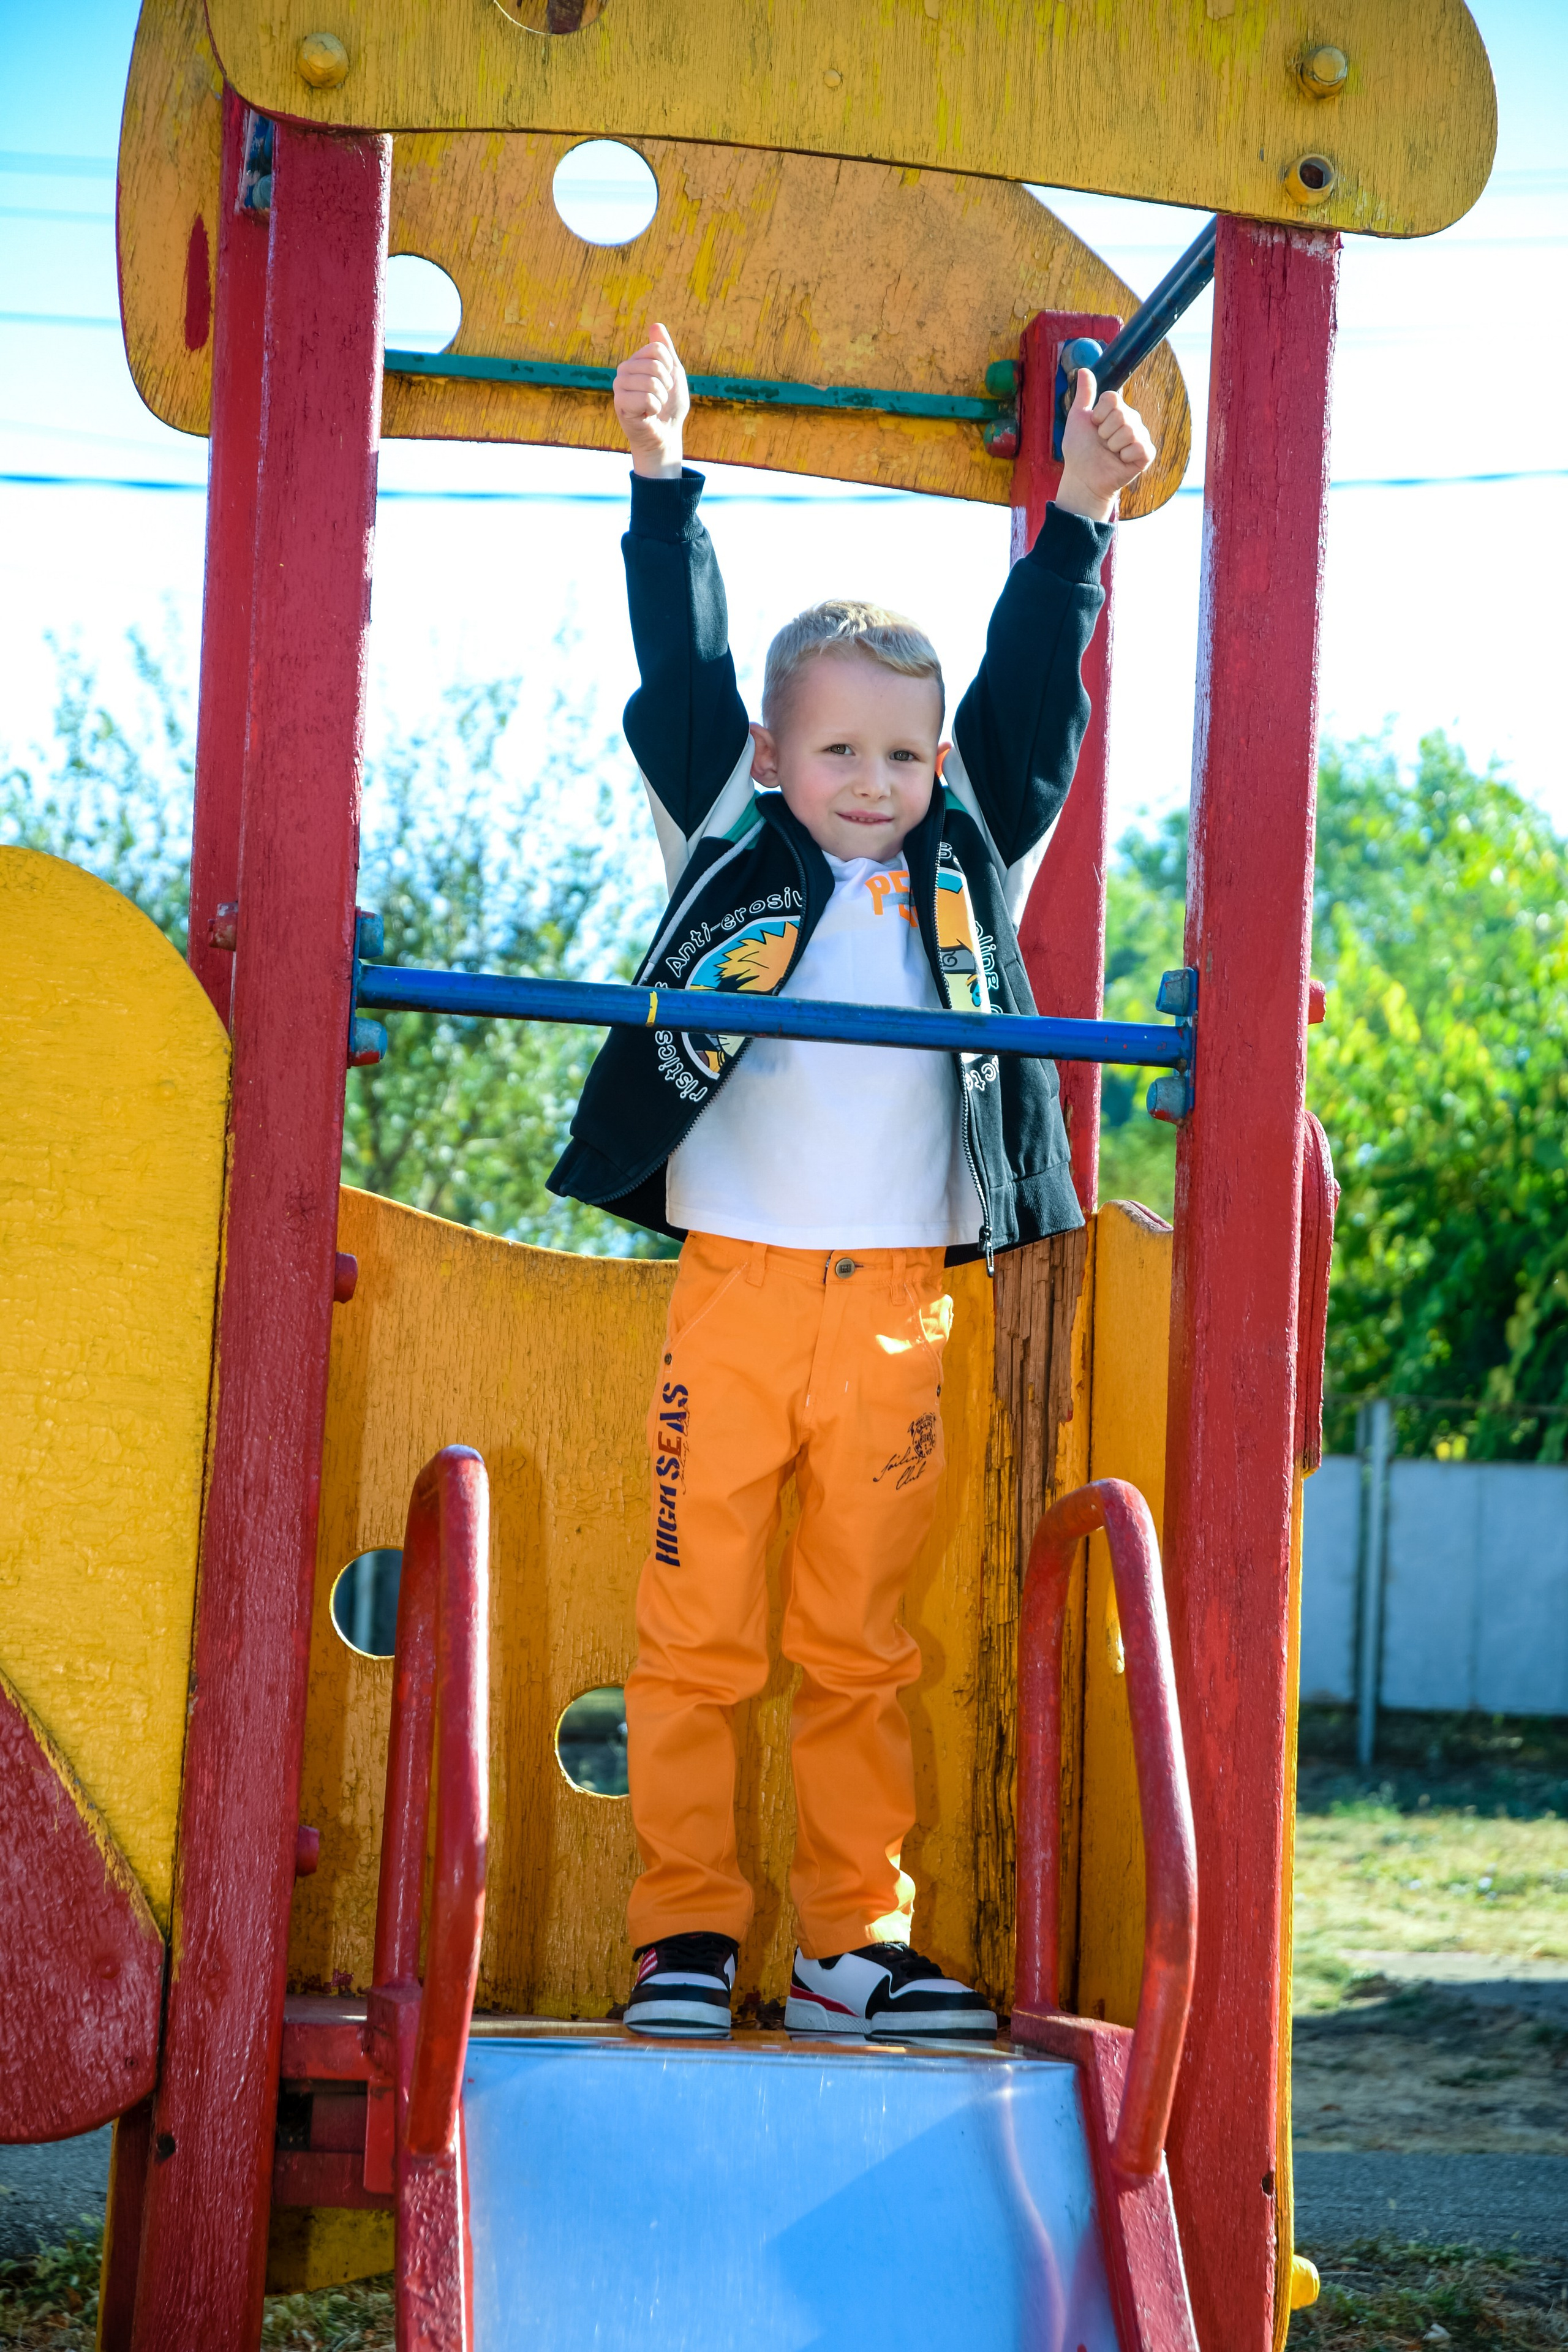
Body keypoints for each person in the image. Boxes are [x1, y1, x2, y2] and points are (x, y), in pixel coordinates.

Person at [548, 323, 1156, 2040]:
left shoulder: (972, 864)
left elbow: (1036, 702)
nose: (873, 783)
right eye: (838, 755)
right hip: (733, 1298)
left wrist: (1080, 527)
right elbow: (683, 674)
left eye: (903, 757)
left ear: (939, 768)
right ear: (770, 759)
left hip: (898, 1315)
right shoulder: (724, 841)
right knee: (700, 1638)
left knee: (862, 1649)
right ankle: (684, 1930)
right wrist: (664, 483)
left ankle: (845, 1944)